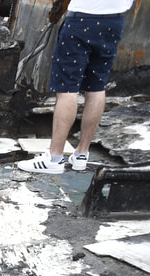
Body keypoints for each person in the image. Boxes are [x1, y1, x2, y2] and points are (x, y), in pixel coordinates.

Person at [17, 0, 134, 174]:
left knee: (67, 89)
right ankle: (81, 154)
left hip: (82, 19)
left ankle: (54, 158)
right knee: (96, 86)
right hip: (114, 21)